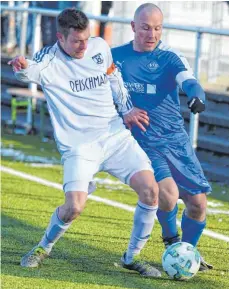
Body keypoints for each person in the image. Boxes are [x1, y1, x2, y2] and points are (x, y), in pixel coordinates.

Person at [8, 8, 161, 277]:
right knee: (74, 207)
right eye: (77, 41)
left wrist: (126, 110)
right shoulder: (49, 60)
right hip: (79, 146)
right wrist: (22, 66)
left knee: (151, 191)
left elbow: (114, 77)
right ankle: (44, 247)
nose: (84, 46)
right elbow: (30, 70)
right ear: (60, 37)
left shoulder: (99, 46)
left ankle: (131, 258)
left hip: (114, 137)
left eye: (87, 39)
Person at [112, 3, 213, 271]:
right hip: (143, 140)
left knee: (198, 204)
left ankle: (189, 252)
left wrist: (196, 96)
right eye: (145, 27)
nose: (152, 34)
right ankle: (173, 245)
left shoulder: (170, 57)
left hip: (175, 140)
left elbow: (188, 80)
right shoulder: (115, 57)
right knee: (166, 193)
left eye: (157, 28)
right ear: (133, 27)